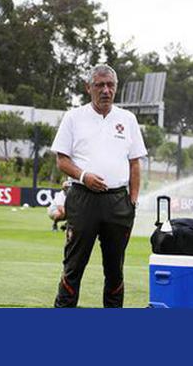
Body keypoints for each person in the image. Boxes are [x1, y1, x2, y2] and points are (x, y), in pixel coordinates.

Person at [51, 65, 146, 308]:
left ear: (116, 87)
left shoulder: (128, 119)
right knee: (74, 265)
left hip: (117, 202)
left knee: (115, 268)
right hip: (83, 199)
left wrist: (132, 200)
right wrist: (84, 177)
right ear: (88, 88)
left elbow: (135, 163)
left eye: (110, 85)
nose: (106, 90)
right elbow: (61, 160)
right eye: (100, 85)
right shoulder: (74, 117)